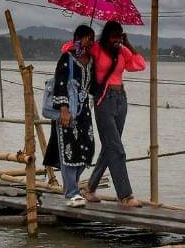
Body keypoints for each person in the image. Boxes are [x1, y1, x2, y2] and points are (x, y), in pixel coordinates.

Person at [82, 20, 146, 207]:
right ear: (107, 36)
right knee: (117, 149)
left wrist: (127, 44)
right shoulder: (96, 49)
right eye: (113, 36)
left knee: (110, 147)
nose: (116, 40)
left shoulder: (122, 51)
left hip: (121, 100)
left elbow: (140, 64)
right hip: (103, 100)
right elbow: (69, 48)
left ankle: (90, 187)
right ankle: (125, 195)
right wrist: (84, 42)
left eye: (119, 36)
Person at [45, 25, 97, 207]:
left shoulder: (91, 61)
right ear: (79, 38)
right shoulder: (67, 58)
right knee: (69, 151)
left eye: (93, 38)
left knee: (87, 149)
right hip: (67, 111)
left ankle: (73, 187)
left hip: (84, 112)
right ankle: (71, 193)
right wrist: (64, 110)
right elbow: (60, 83)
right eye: (88, 38)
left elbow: (94, 85)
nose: (91, 42)